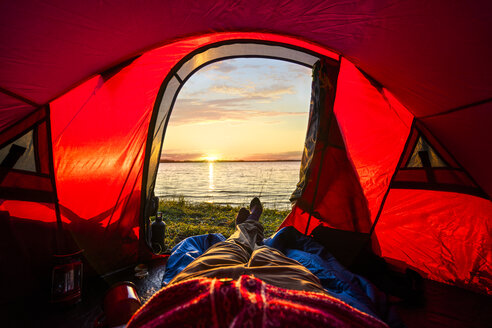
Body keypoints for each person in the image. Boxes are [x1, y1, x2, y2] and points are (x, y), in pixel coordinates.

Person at [127, 198, 389, 328]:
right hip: (298, 298)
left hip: (196, 293)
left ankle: (246, 228)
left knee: (231, 247)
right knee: (268, 255)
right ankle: (253, 228)